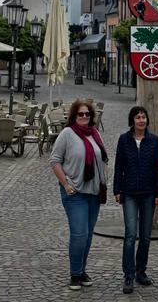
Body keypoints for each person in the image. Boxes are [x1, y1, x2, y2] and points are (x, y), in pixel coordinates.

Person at [50, 99, 108, 290]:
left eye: (87, 114)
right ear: (74, 116)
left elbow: (103, 158)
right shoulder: (67, 134)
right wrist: (65, 184)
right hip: (74, 192)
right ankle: (75, 274)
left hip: (94, 192)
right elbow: (55, 161)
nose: (84, 117)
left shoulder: (95, 133)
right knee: (79, 233)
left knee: (88, 234)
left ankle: (82, 270)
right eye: (80, 114)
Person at [114, 106, 158, 295]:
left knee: (145, 236)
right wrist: (117, 190)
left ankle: (141, 270)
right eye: (138, 117)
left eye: (144, 117)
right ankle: (129, 274)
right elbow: (119, 166)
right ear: (132, 121)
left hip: (149, 193)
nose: (141, 120)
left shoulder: (154, 141)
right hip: (130, 193)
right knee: (130, 234)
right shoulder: (124, 140)